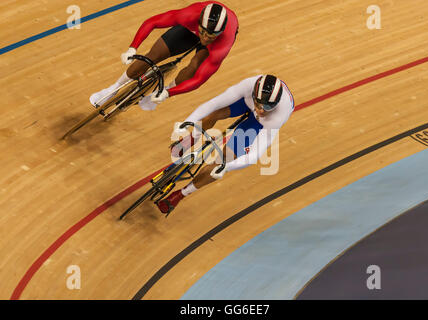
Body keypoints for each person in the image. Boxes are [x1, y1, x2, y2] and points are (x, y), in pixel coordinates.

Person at [157, 74, 295, 214]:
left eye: (267, 107)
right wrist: (188, 122)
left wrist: (227, 167)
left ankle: (182, 193)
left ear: (276, 105)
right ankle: (193, 138)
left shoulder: (278, 117)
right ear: (254, 94)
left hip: (259, 123)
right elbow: (213, 103)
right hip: (246, 102)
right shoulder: (248, 85)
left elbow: (254, 156)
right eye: (259, 104)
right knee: (214, 113)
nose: (261, 110)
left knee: (221, 162)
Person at [89, 1, 238, 111]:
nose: (205, 38)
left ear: (220, 33)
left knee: (194, 66)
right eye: (203, 32)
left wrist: (168, 93)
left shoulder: (222, 45)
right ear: (198, 22)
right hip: (190, 29)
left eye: (211, 35)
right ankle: (112, 89)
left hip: (213, 45)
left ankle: (162, 90)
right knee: (153, 55)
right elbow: (152, 22)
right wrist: (133, 48)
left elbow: (198, 80)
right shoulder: (189, 15)